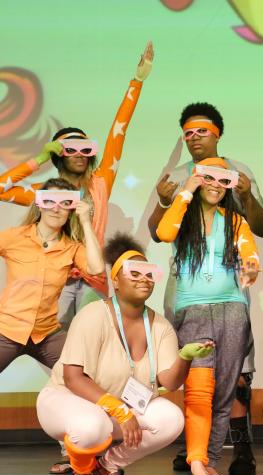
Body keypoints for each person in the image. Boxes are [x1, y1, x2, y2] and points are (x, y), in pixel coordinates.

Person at [36, 233, 213, 475]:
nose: (144, 278)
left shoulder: (161, 326)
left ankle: (107, 466)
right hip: (66, 400)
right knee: (91, 426)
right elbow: (73, 378)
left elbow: (170, 382)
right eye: (135, 273)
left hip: (116, 409)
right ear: (116, 281)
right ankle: (82, 471)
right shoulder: (93, 315)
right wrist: (120, 410)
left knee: (171, 419)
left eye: (149, 273)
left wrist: (186, 356)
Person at [147, 100, 263, 475]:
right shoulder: (178, 175)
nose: (194, 137)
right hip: (187, 293)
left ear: (217, 133)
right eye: (188, 132)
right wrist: (166, 198)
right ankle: (195, 447)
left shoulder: (239, 172)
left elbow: (260, 227)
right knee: (195, 372)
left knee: (235, 376)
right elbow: (159, 231)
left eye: (202, 131)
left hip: (230, 292)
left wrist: (246, 196)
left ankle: (241, 447)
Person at [0, 41, 154, 325]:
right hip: (55, 278)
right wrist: (39, 157)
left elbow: (119, 130)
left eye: (86, 148)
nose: (80, 153)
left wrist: (137, 81)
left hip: (92, 278)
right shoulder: (45, 194)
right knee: (56, 353)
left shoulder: (101, 182)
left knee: (91, 349)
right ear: (59, 155)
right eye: (70, 148)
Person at [156, 158, 260, 475]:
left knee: (226, 389)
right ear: (198, 179)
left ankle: (210, 460)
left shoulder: (235, 220)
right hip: (193, 311)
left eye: (223, 179)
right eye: (207, 177)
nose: (215, 184)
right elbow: (163, 232)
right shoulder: (182, 217)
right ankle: (198, 461)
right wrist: (187, 188)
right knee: (199, 389)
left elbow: (250, 254)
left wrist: (252, 268)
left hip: (232, 309)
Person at [0, 178, 104, 377]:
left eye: (65, 203)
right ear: (39, 204)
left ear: (71, 209)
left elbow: (96, 268)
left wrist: (85, 222)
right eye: (50, 201)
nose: (56, 209)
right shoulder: (15, 237)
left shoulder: (72, 248)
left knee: (88, 375)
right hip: (7, 330)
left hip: (46, 334)